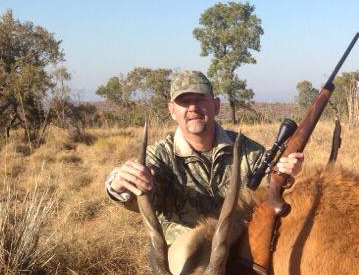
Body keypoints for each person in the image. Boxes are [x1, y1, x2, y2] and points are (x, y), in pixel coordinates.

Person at [105, 70, 303, 244]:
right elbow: (142, 191)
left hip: (240, 246)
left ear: (216, 106)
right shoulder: (160, 156)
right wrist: (119, 184)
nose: (193, 107)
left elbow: (273, 184)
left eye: (200, 99)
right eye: (184, 101)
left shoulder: (248, 150)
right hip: (189, 253)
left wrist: (287, 174)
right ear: (172, 110)